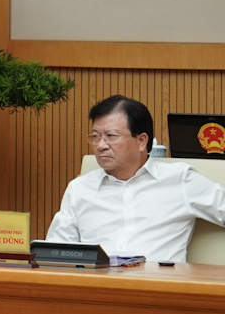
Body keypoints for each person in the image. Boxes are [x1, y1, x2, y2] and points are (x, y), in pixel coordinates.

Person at [48, 95, 225, 264]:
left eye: (111, 136)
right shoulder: (80, 188)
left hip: (159, 282)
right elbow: (55, 253)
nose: (101, 145)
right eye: (95, 136)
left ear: (141, 141)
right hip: (97, 282)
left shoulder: (180, 180)